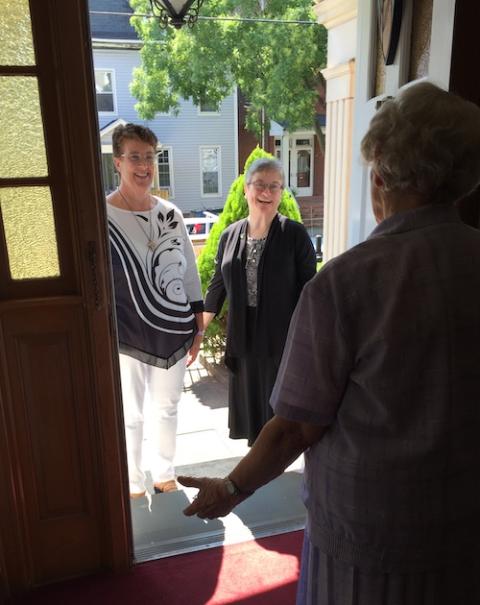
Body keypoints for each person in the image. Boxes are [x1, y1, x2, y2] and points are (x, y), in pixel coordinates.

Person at [178, 82, 480, 604]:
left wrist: (228, 490)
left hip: (372, 536)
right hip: (462, 520)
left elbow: (295, 427)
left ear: (380, 173)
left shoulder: (346, 284)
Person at [107, 123, 204, 498]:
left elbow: (188, 270)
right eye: (135, 157)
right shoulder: (102, 214)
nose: (144, 165)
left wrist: (197, 326)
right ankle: (132, 480)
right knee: (130, 413)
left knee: (167, 407)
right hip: (125, 330)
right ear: (118, 162)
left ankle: (165, 473)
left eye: (150, 157)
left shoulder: (170, 213)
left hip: (172, 325)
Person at [203, 157, 316, 446]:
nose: (266, 192)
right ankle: (257, 474)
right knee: (252, 416)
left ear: (281, 193)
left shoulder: (295, 234)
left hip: (281, 342)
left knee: (279, 418)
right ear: (246, 188)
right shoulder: (229, 235)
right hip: (243, 340)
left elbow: (309, 292)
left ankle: (274, 474)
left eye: (274, 186)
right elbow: (217, 287)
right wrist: (198, 331)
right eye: (260, 185)